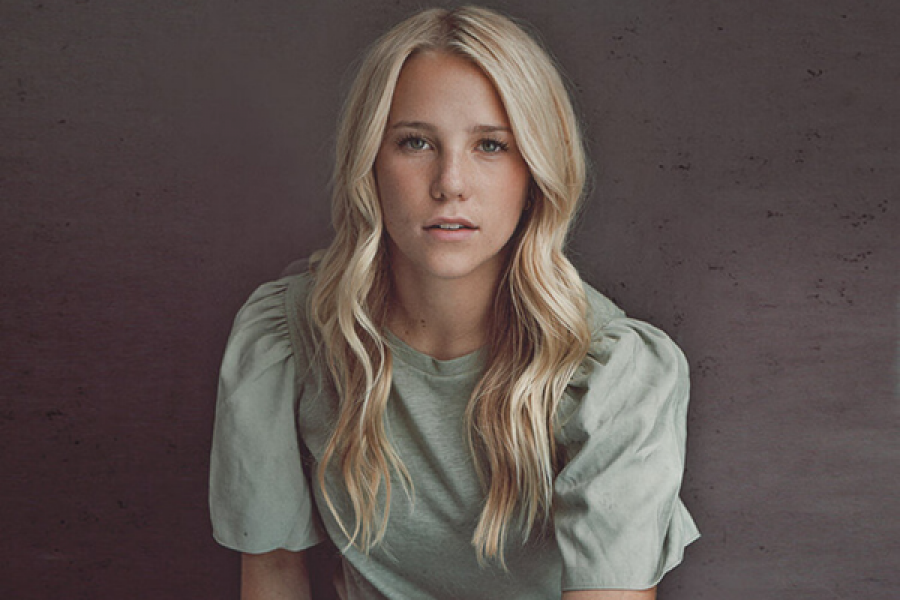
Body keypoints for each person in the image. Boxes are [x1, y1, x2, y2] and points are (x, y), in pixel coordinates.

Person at [209, 6, 699, 599]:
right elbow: (274, 574)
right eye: (415, 142)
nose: (450, 183)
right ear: (370, 161)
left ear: (535, 172)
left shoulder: (613, 374)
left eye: (491, 145)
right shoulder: (287, 337)